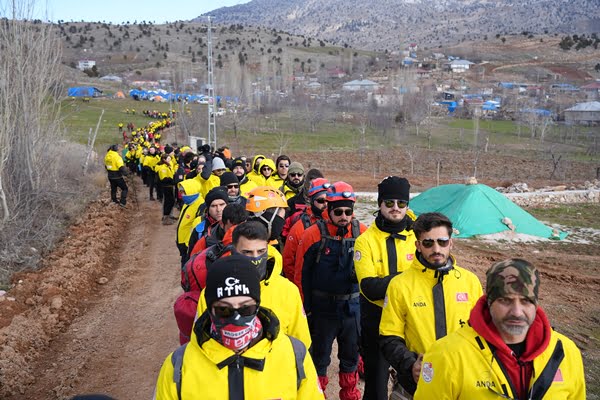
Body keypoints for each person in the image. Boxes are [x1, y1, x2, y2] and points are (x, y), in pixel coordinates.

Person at [155, 255, 324, 400]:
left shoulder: (294, 356)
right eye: (224, 309)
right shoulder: (178, 366)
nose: (236, 318)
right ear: (209, 308)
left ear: (257, 305)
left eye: (246, 308)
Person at [414, 258, 586, 399]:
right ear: (489, 302)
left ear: (536, 304)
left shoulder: (565, 352)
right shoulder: (447, 354)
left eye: (526, 301)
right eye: (505, 300)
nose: (517, 312)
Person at [379, 212, 483, 399]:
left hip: (463, 383)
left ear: (451, 242)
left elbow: (483, 333)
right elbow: (389, 338)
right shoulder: (399, 285)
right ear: (418, 245)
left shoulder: (470, 282)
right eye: (428, 243)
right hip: (415, 386)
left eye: (442, 242)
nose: (436, 249)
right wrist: (411, 365)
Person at [297, 181, 367, 399]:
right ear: (328, 209)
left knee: (350, 357)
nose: (344, 216)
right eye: (338, 211)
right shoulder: (312, 235)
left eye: (349, 211)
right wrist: (304, 310)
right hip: (323, 309)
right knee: (319, 358)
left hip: (352, 308)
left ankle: (350, 395)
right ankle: (318, 395)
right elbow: (301, 275)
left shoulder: (362, 233)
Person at [195, 221, 312, 349]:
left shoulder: (288, 291)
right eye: (247, 252)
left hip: (275, 365)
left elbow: (301, 341)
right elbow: (200, 337)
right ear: (233, 251)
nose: (256, 258)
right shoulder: (214, 291)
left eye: (261, 251)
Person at [354, 176, 417, 400]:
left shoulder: (417, 236)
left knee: (412, 384)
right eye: (389, 203)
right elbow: (369, 287)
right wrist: (408, 278)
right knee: (376, 387)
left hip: (411, 317)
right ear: (380, 204)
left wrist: (390, 282)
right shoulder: (365, 241)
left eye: (401, 203)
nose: (395, 208)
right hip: (377, 320)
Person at [282, 177, 330, 286]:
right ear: (311, 201)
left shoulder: (340, 222)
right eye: (321, 200)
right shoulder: (300, 227)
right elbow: (288, 262)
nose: (325, 204)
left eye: (328, 200)